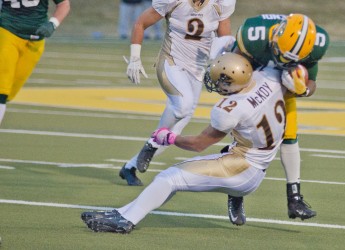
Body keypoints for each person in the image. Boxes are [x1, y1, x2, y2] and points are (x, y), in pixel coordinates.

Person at [81, 52, 288, 234]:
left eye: (220, 79)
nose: (215, 81)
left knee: (169, 178)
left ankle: (126, 220)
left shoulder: (230, 108)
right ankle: (122, 213)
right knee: (174, 179)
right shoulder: (269, 77)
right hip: (256, 165)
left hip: (243, 167)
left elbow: (198, 144)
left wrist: (170, 137)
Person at [209, 13, 330, 224]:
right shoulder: (254, 36)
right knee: (251, 141)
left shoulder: (317, 42)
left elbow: (312, 82)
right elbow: (236, 70)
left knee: (290, 134)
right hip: (254, 79)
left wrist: (303, 90)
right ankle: (236, 193)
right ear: (275, 36)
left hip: (283, 84)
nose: (284, 61)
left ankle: (294, 199)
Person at [119, 0, 236, 186]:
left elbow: (224, 41)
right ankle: (153, 142)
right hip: (172, 62)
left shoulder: (221, 3)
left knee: (176, 130)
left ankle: (130, 167)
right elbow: (140, 23)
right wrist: (134, 58)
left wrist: (224, 67)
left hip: (198, 70)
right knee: (182, 107)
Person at [0, 0, 70, 126]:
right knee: (1, 90)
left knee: (10, 92)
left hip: (36, 40)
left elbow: (64, 4)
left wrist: (52, 24)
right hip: (7, 32)